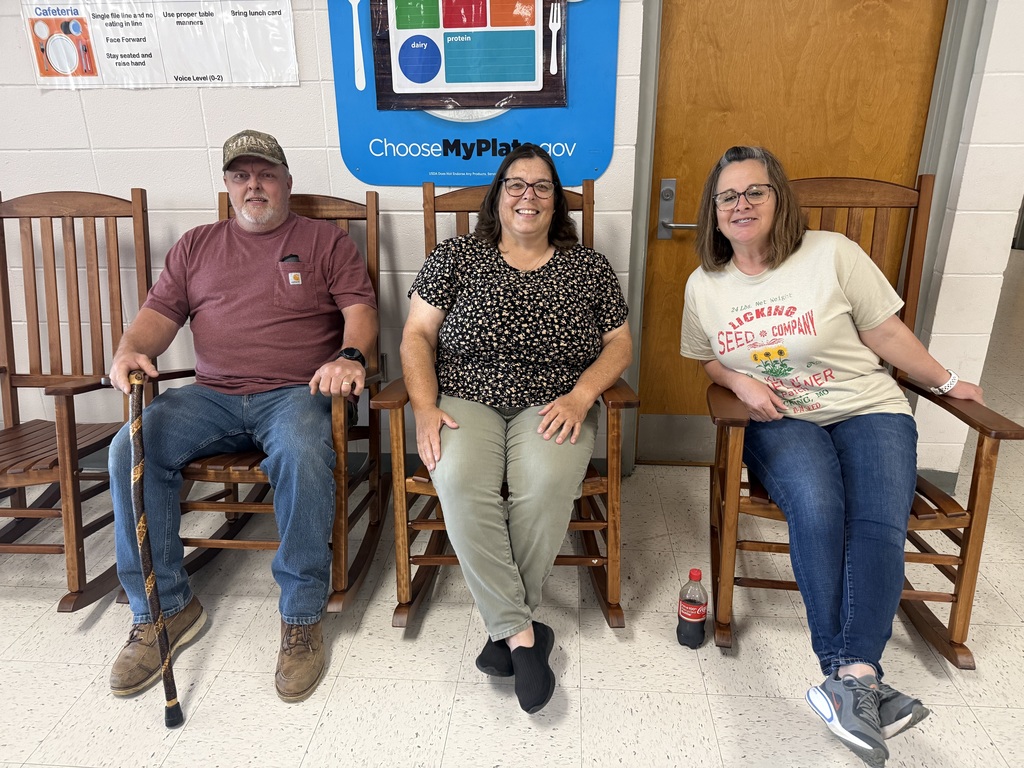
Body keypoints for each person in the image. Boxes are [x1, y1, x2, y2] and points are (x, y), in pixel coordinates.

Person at [680, 146, 984, 767]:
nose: (741, 205)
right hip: (779, 418)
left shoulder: (832, 254)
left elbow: (885, 334)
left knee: (876, 519)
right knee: (819, 506)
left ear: (778, 198)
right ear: (714, 212)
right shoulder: (704, 284)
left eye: (754, 192)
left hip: (868, 406)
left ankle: (853, 677)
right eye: (727, 197)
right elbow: (705, 356)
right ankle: (859, 681)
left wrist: (950, 383)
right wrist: (739, 383)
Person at [106, 129, 378, 703]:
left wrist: (349, 356)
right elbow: (157, 317)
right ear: (228, 185)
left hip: (296, 392)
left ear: (287, 181)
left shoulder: (326, 242)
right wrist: (132, 349)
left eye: (265, 174)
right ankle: (163, 610)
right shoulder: (196, 245)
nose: (253, 185)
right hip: (212, 395)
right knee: (131, 445)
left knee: (304, 452)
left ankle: (301, 616)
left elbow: (361, 315)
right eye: (240, 176)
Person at [401, 143, 632, 714]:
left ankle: (505, 632)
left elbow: (620, 344)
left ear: (556, 203)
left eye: (542, 186)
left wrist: (582, 396)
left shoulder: (588, 267)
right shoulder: (456, 256)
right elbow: (416, 336)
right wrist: (425, 407)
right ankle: (524, 634)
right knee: (455, 478)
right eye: (515, 185)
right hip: (465, 396)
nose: (528, 196)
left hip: (556, 400)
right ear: (498, 197)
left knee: (548, 482)